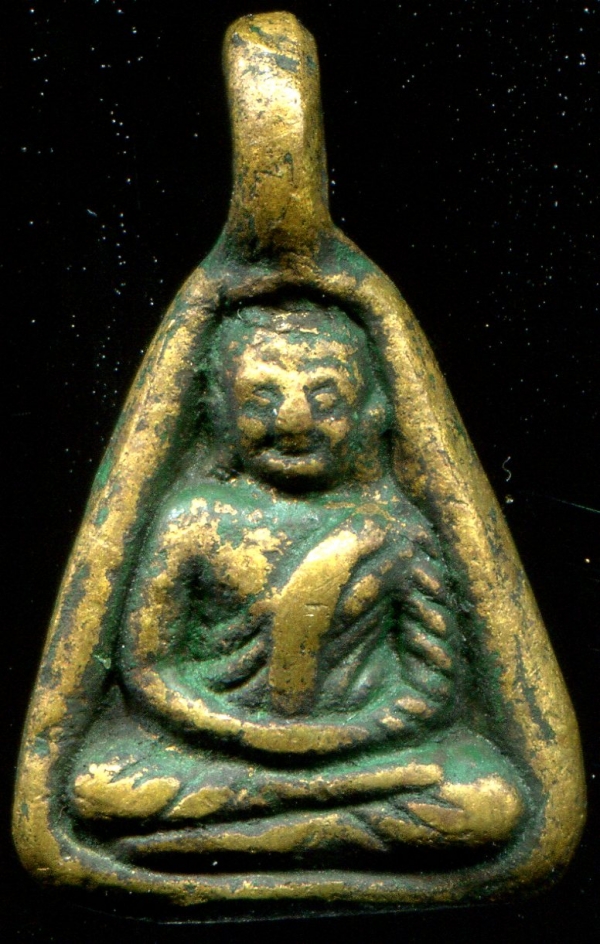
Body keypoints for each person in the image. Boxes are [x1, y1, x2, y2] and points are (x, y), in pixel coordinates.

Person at [70, 302, 524, 867]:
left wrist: (335, 740)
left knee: (487, 802)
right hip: (222, 755)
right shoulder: (194, 519)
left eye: (325, 400)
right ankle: (313, 827)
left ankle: (225, 841)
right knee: (97, 788)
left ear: (370, 415)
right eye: (261, 399)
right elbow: (148, 670)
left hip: (360, 755)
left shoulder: (394, 530)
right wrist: (248, 735)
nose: (293, 421)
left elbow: (431, 687)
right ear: (220, 413)